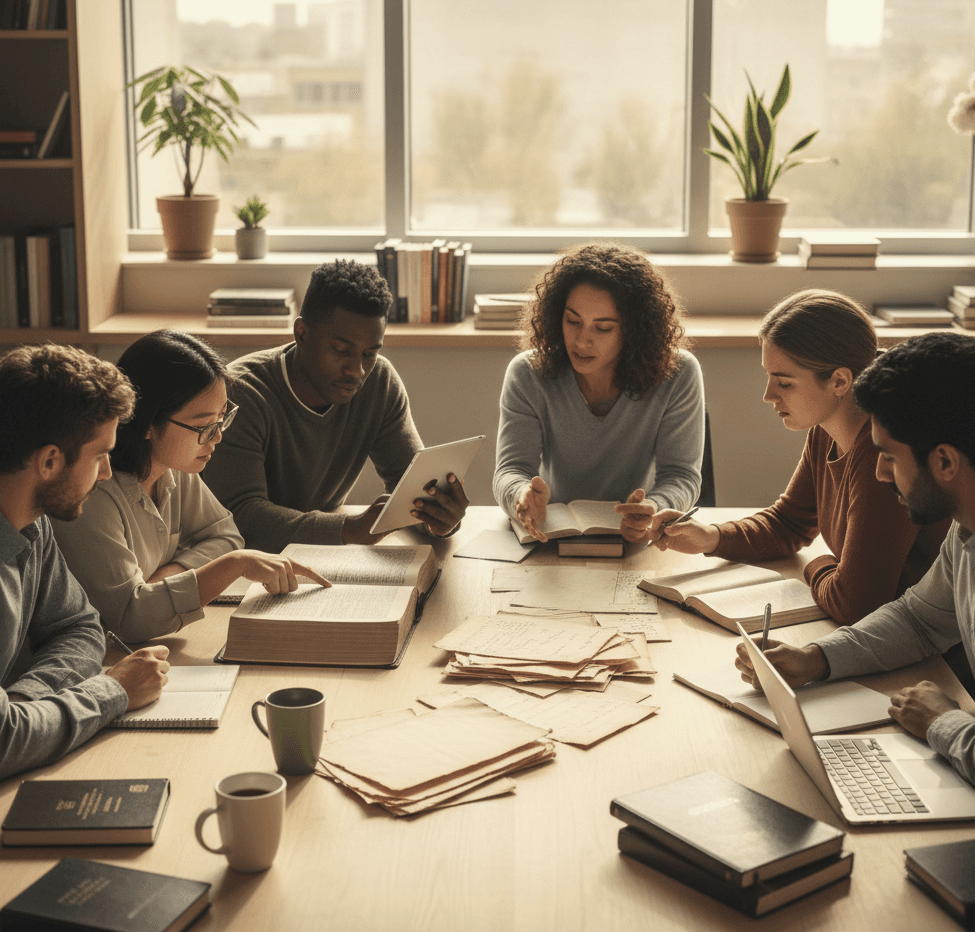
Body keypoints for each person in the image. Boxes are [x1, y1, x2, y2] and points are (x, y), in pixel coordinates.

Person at [736, 331, 975, 808]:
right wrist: (817, 659)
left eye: (889, 457)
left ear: (946, 461)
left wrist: (942, 722)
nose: (880, 474)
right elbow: (919, 619)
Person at [635, 289, 949, 625]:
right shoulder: (824, 430)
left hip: (921, 649)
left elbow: (856, 605)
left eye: (784, 383)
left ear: (840, 381)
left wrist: (815, 565)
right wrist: (711, 537)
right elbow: (788, 523)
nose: (768, 395)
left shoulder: (882, 458)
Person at [52, 331, 330, 645]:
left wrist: (169, 578)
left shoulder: (174, 467)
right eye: (202, 426)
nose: (217, 437)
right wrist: (234, 565)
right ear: (145, 423)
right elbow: (130, 620)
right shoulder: (93, 492)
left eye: (222, 418)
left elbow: (226, 536)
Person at [204, 259, 469, 552]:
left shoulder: (379, 382)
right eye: (342, 350)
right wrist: (346, 529)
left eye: (369, 353)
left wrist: (439, 519)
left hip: (321, 555)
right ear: (302, 334)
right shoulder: (242, 393)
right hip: (237, 560)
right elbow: (241, 518)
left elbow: (410, 486)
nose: (357, 370)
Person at [0, 345, 169, 780]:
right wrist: (113, 691)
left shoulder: (31, 526)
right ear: (50, 461)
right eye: (100, 456)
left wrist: (27, 701)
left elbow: (77, 626)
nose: (108, 472)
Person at [492, 243, 705, 541]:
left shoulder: (679, 373)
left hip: (637, 542)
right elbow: (511, 469)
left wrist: (653, 509)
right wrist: (521, 497)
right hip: (552, 538)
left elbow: (681, 476)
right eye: (572, 321)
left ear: (633, 330)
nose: (582, 341)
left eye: (602, 328)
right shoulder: (527, 373)